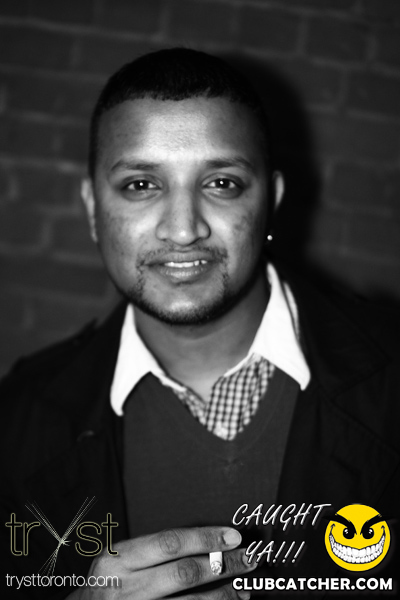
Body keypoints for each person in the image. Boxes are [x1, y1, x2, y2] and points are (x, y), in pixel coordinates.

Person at [1, 48, 399, 600]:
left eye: (222, 183)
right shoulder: (17, 420)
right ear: (93, 208)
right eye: (141, 185)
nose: (184, 229)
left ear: (272, 201)